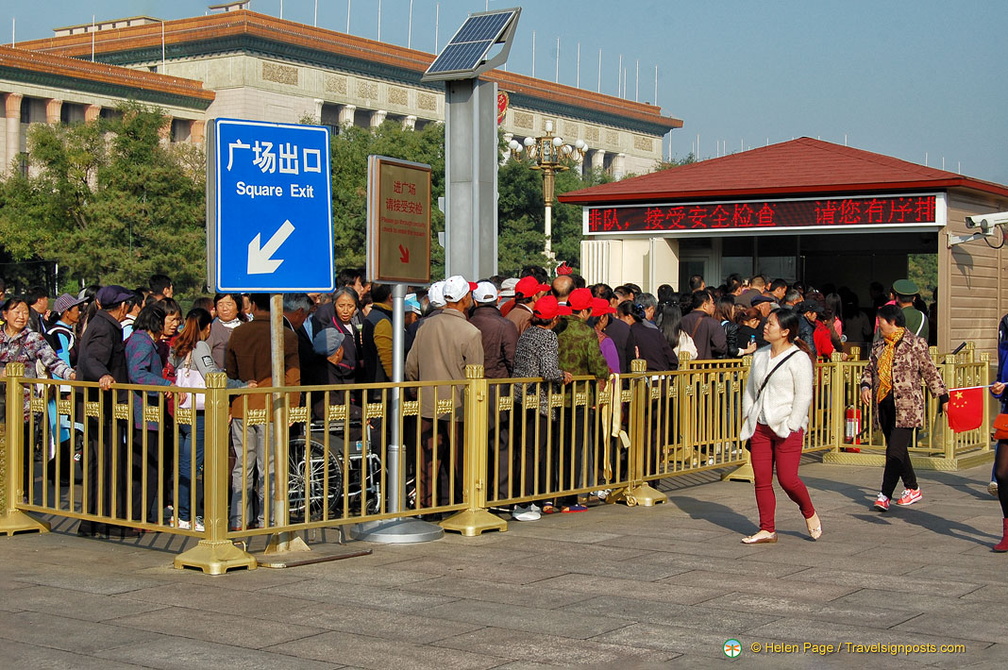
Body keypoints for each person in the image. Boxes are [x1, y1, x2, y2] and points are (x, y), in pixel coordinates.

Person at [739, 308, 820, 544]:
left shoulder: (799, 358)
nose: (766, 326)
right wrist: (748, 415)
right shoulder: (761, 355)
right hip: (761, 426)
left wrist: (792, 424)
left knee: (787, 479)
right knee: (762, 479)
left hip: (786, 426)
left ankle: (809, 512)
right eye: (767, 322)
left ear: (785, 331)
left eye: (771, 324)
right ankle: (767, 529)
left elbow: (804, 396)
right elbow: (751, 390)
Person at [169, 307, 252, 531]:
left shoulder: (178, 346)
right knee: (192, 466)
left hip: (183, 410)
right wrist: (241, 385)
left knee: (184, 464)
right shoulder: (200, 346)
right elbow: (213, 376)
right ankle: (187, 516)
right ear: (207, 328)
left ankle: (180, 512)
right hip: (200, 412)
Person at [860, 304, 948, 512]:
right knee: (897, 451)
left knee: (894, 451)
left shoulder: (915, 344)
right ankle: (912, 487)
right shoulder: (879, 346)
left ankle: (884, 495)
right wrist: (866, 385)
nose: (878, 326)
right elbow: (870, 368)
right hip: (884, 405)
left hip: (907, 406)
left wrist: (943, 397)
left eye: (881, 322)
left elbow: (930, 371)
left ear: (892, 322)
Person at [405, 275, 484, 509]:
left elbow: (411, 366)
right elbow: (476, 375)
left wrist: (418, 391)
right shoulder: (470, 332)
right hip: (459, 406)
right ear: (465, 298)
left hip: (427, 402)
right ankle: (462, 503)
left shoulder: (425, 326)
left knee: (427, 459)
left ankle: (425, 505)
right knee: (460, 459)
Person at [225, 293, 300, 530]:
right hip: (272, 407)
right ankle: (267, 518)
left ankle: (238, 519)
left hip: (242, 406)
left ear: (253, 306)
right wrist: (292, 408)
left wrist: (230, 403)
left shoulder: (238, 333)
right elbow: (293, 376)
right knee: (269, 466)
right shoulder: (286, 336)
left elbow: (231, 372)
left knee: (242, 466)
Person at [0, 296, 76, 497]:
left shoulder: (33, 339)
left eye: (25, 312)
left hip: (23, 406)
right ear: (5, 314)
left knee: (22, 451)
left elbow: (54, 362)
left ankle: (20, 496)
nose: (21, 316)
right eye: (16, 312)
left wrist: (72, 375)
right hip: (1, 405)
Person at [75, 285, 133, 537]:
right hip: (102, 407)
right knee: (105, 463)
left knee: (100, 463)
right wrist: (104, 375)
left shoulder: (101, 323)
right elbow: (91, 359)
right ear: (122, 307)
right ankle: (106, 521)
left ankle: (95, 521)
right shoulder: (104, 327)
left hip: (100, 407)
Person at [511, 295, 572, 521]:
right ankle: (526, 501)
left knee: (524, 451)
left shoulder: (527, 333)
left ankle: (523, 499)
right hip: (539, 401)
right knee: (534, 451)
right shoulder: (548, 337)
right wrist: (562, 375)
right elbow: (547, 371)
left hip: (519, 396)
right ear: (554, 319)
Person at [124, 303, 172, 524]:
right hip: (144, 413)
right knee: (146, 467)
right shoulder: (143, 343)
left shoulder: (138, 339)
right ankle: (140, 516)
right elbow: (138, 373)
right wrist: (164, 385)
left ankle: (139, 514)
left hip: (142, 413)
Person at [679, 289, 727, 360]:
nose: (713, 306)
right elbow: (721, 347)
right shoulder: (713, 323)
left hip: (685, 365)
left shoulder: (682, 320)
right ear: (705, 305)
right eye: (712, 303)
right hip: (705, 366)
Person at [207, 293, 246, 370]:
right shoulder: (211, 329)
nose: (224, 308)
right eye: (220, 305)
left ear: (238, 308)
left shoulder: (246, 329)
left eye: (229, 304)